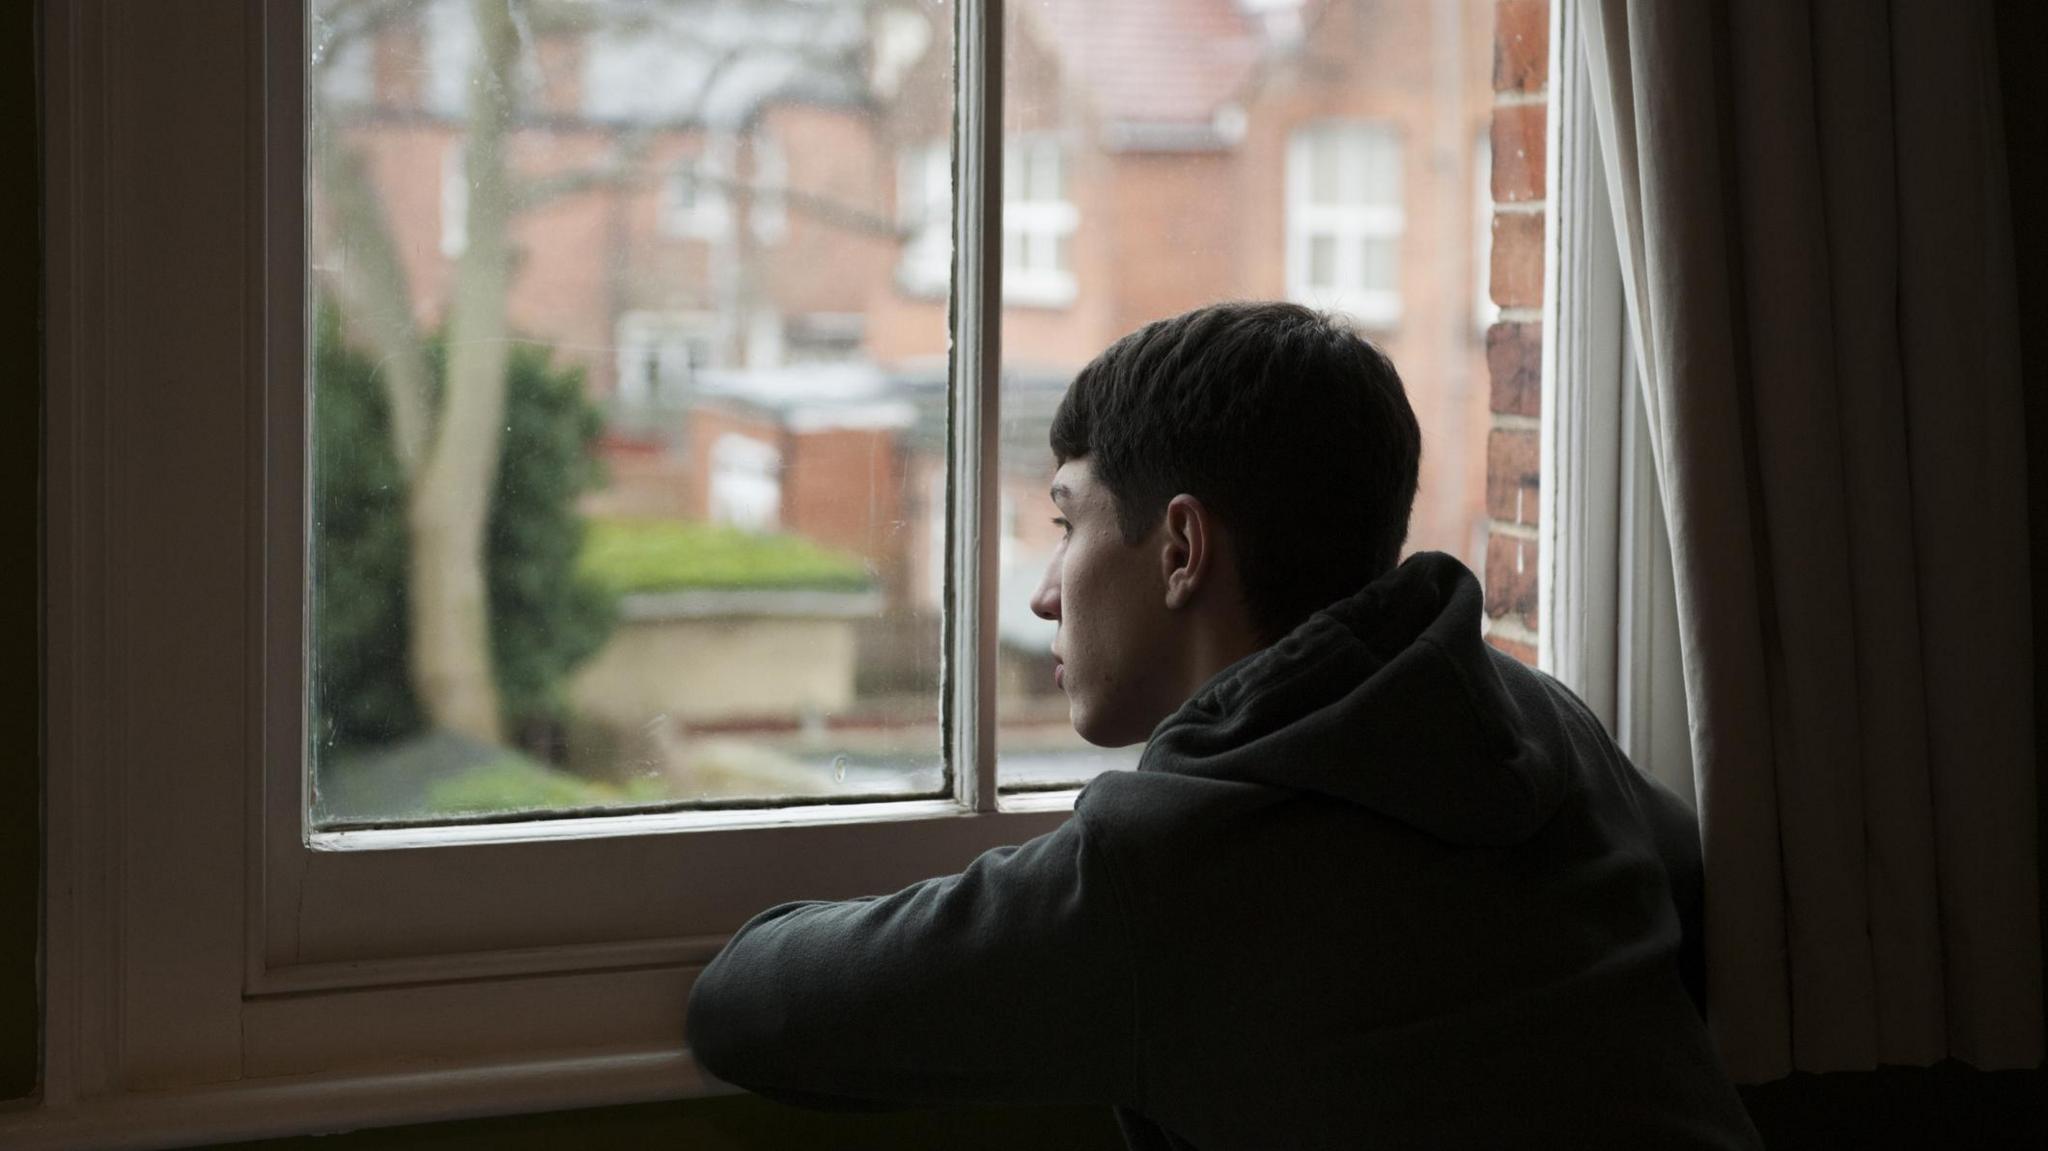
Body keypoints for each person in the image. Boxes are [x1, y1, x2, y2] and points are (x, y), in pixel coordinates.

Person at [685, 301, 1763, 1149]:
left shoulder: (1167, 872)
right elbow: (1676, 876)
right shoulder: (1533, 718)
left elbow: (746, 1006)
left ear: (1180, 549)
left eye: (1065, 522)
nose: (1044, 593)